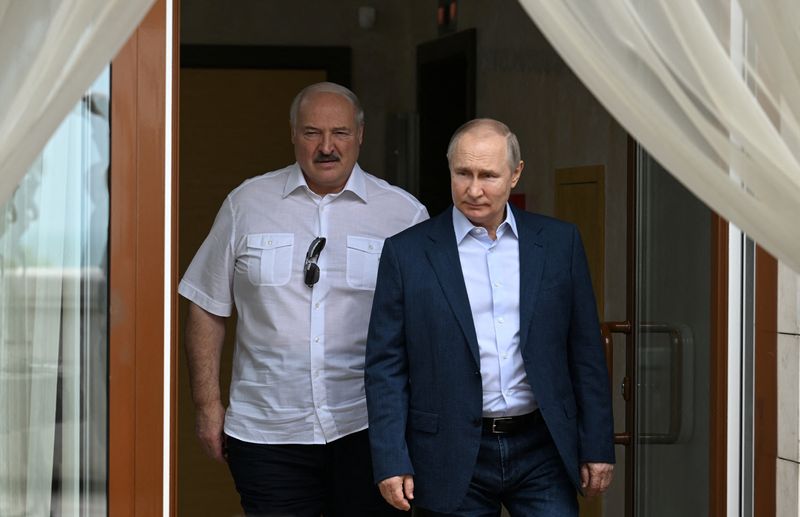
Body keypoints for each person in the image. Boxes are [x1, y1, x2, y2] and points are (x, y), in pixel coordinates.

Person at [179, 82, 428, 516]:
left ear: (361, 136)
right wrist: (207, 405)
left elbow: (429, 328)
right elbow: (206, 304)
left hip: (368, 430)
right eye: (312, 132)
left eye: (341, 133)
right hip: (267, 432)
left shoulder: (404, 215)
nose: (326, 146)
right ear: (293, 133)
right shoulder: (246, 204)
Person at [365, 118, 614, 516]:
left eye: (488, 175)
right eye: (463, 173)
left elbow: (584, 350)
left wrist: (597, 444)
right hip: (448, 449)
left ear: (516, 174)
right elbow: (385, 366)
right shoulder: (407, 254)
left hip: (542, 446)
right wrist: (391, 457)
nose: (474, 189)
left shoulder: (558, 243)